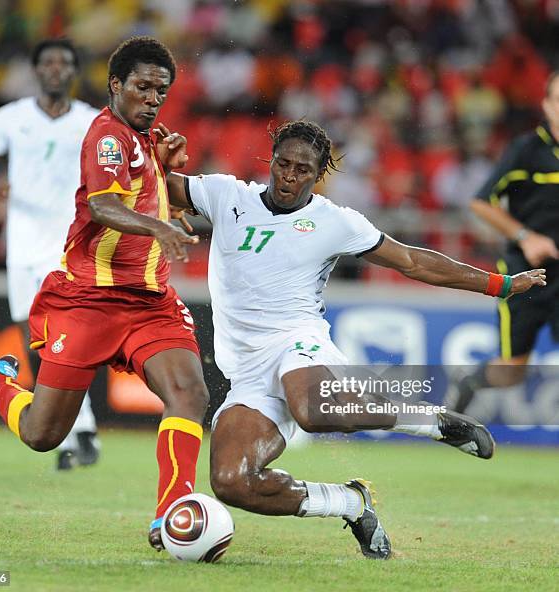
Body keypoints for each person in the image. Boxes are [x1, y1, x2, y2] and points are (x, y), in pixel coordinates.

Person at [164, 120, 545, 560]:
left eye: (302, 169)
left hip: (298, 342)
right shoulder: (226, 195)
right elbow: (150, 180)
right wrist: (156, 152)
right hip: (247, 371)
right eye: (283, 164)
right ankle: (349, 503)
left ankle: (432, 422)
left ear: (319, 173)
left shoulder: (333, 221)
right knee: (232, 482)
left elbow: (411, 261)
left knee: (312, 409)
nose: (289, 176)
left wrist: (497, 284)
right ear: (270, 161)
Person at [0, 36, 209, 551]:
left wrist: (166, 170)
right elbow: (101, 205)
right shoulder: (107, 136)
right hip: (88, 302)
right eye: (142, 87)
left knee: (189, 393)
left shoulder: (147, 139)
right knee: (42, 434)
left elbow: (149, 191)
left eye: (161, 90)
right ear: (116, 85)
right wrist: (159, 228)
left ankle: (173, 514)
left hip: (149, 302)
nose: (152, 98)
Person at [0, 38, 101, 470]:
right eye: (47, 62)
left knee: (67, 337)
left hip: (69, 243)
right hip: (23, 244)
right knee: (38, 342)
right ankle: (79, 429)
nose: (55, 69)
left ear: (74, 71)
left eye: (64, 62)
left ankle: (70, 434)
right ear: (36, 69)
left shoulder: (90, 121)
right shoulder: (8, 119)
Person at [449, 71, 559, 413]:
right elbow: (481, 202)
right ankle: (471, 384)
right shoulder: (526, 151)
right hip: (527, 275)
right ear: (547, 105)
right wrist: (525, 237)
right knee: (512, 371)